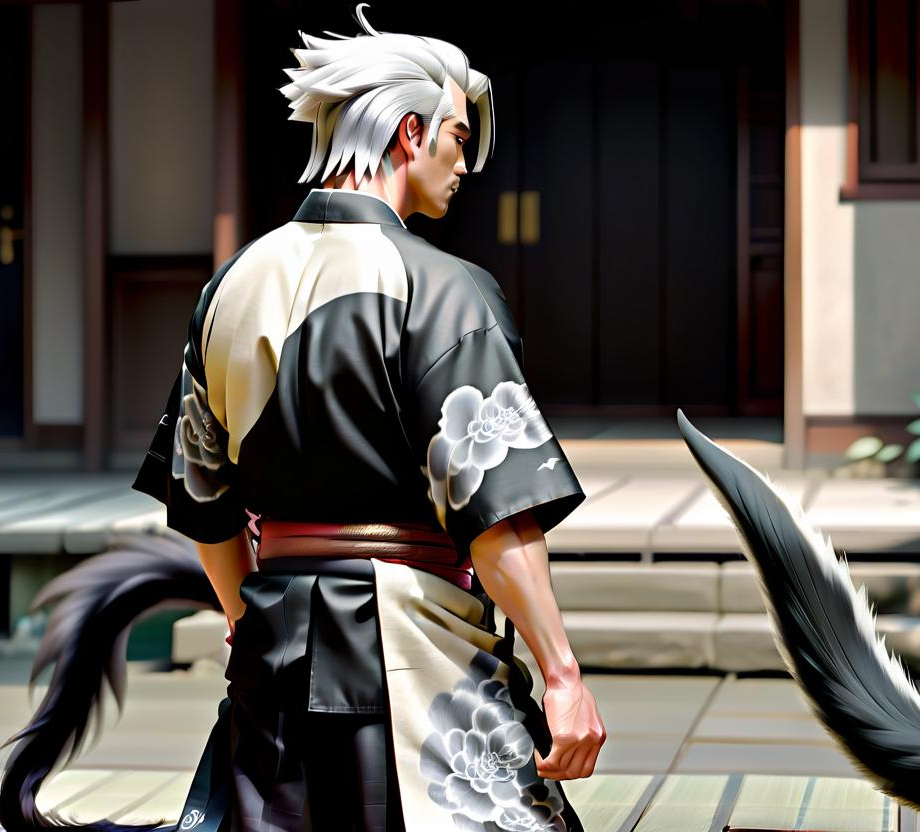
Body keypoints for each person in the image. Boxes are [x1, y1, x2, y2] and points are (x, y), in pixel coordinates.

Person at [131, 5, 606, 830]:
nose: (465, 165)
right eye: (459, 139)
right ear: (410, 132)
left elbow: (201, 503)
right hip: (419, 641)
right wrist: (561, 673)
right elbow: (496, 516)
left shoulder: (231, 286)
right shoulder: (444, 288)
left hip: (272, 648)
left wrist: (254, 624)